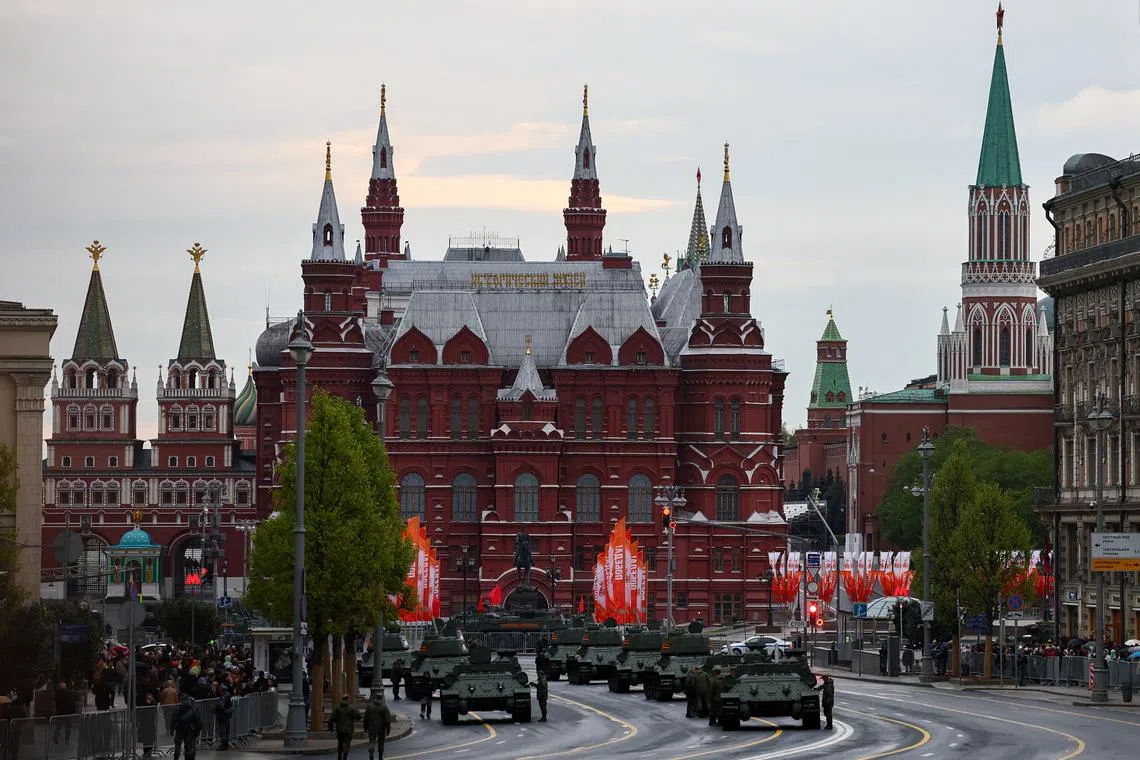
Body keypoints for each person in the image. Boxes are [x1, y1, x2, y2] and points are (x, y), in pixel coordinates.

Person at [170, 693, 202, 760]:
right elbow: (196, 718)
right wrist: (198, 728)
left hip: (179, 729)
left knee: (177, 745)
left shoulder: (178, 707)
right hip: (188, 729)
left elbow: (173, 719)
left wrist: (172, 729)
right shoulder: (191, 708)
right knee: (188, 746)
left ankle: (176, 758)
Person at [329, 695, 361, 760]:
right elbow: (358, 715)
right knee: (347, 744)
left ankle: (339, 757)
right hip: (348, 729)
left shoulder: (337, 707)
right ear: (348, 699)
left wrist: (331, 728)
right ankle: (345, 757)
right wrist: (356, 719)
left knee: (340, 743)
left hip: (339, 729)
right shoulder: (352, 707)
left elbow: (331, 719)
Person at [363, 692, 393, 760]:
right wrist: (388, 729)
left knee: (372, 741)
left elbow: (366, 718)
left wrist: (365, 727)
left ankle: (371, 751)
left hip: (371, 727)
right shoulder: (384, 707)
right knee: (381, 743)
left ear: (375, 698)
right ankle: (380, 757)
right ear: (381, 698)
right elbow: (387, 720)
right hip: (381, 728)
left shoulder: (370, 706)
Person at [215, 685, 234, 750]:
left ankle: (224, 744)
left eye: (220, 689)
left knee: (223, 731)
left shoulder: (224, 696)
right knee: (225, 731)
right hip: (226, 715)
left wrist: (216, 707)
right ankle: (225, 744)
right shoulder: (226, 695)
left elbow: (221, 705)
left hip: (223, 715)